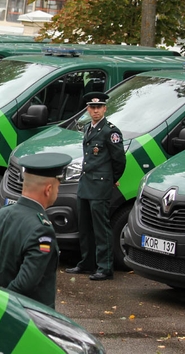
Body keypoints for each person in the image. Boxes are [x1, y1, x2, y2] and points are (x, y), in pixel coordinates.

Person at [0, 153, 72, 309]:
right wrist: (5, 306)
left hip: (2, 310)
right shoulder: (42, 230)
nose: (57, 191)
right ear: (48, 189)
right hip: (30, 316)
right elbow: (27, 282)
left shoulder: (0, 215)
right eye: (58, 186)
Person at [65, 92, 126, 281]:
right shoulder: (88, 128)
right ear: (88, 109)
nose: (95, 110)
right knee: (85, 226)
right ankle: (87, 262)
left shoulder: (110, 131)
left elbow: (119, 160)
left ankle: (105, 267)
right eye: (92, 107)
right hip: (86, 183)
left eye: (99, 107)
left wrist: (110, 178)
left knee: (101, 227)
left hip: (100, 185)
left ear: (105, 108)